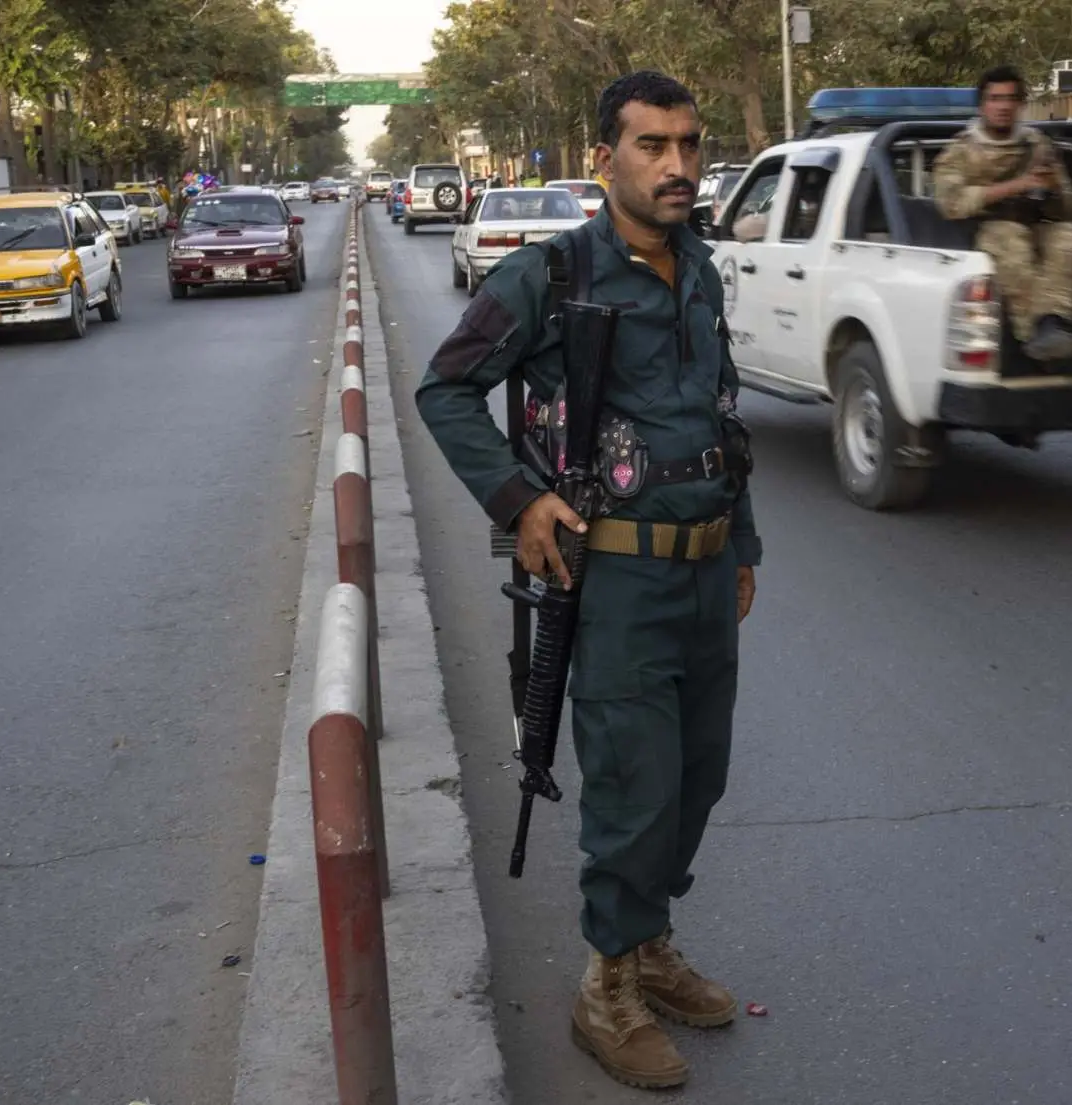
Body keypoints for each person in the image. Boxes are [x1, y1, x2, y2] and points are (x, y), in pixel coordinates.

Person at [415, 70, 760, 1092]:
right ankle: (603, 985)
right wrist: (519, 501)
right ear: (603, 155)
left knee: (699, 778)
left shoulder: (697, 267)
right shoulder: (554, 274)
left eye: (690, 146)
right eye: (652, 146)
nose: (678, 166)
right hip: (612, 582)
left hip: (703, 576)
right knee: (634, 787)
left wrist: (741, 540)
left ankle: (648, 941)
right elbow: (447, 387)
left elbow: (719, 418)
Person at [932, 64, 1072, 360]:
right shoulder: (960, 151)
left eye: (1010, 98)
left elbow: (1069, 208)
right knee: (1008, 236)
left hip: (1036, 225)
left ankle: (1053, 322)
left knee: (1068, 235)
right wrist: (1017, 185)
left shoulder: (1037, 144)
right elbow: (951, 203)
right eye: (995, 98)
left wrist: (1054, 188)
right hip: (984, 232)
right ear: (982, 105)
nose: (1003, 106)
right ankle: (1034, 333)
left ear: (1020, 104)